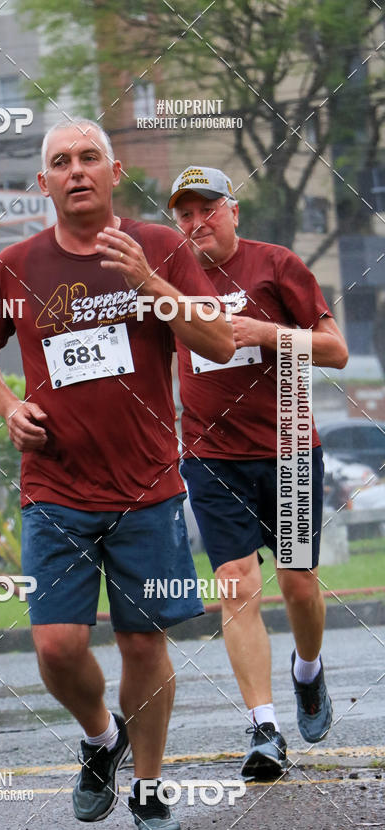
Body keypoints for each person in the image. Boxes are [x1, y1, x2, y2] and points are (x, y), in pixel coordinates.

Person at [0, 120, 234, 830]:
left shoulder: (163, 246)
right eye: (60, 162)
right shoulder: (15, 264)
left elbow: (217, 338)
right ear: (43, 183)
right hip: (55, 487)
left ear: (114, 173)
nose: (76, 171)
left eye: (88, 159)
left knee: (143, 644)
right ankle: (99, 736)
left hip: (146, 486)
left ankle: (147, 788)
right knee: (56, 645)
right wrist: (9, 404)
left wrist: (149, 282)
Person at [169, 165, 348, 778]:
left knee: (299, 583)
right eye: (184, 214)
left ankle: (307, 671)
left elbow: (336, 350)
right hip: (210, 456)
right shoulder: (170, 278)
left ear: (233, 210)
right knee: (236, 584)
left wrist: (268, 332)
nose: (196, 223)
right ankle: (265, 729)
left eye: (207, 209)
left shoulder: (276, 265)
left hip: (289, 450)